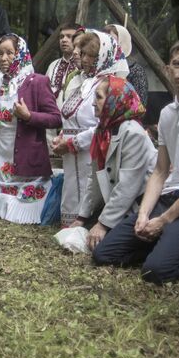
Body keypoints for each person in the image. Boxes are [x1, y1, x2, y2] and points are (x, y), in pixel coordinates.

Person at [93, 39, 179, 284]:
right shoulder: (168, 113)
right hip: (169, 196)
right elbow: (160, 171)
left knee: (155, 272)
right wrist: (144, 214)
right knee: (104, 253)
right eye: (178, 64)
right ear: (168, 69)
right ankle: (167, 241)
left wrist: (164, 220)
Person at [0, 34, 61, 223]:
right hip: (3, 149)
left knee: (26, 197)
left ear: (21, 54)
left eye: (9, 53)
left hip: (27, 150)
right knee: (7, 191)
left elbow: (56, 118)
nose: (3, 58)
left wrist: (29, 116)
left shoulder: (36, 82)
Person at [73, 76, 156, 252]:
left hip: (139, 206)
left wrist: (102, 224)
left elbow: (128, 186)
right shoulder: (103, 130)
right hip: (119, 204)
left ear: (114, 100)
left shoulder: (133, 133)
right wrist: (82, 217)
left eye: (99, 97)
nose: (94, 103)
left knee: (102, 252)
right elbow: (94, 177)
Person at [53, 30, 124, 227]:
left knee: (88, 187)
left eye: (87, 54)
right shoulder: (83, 81)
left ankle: (86, 224)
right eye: (82, 53)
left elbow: (104, 126)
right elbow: (71, 116)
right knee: (72, 187)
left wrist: (73, 143)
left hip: (90, 151)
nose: (82, 58)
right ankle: (69, 225)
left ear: (101, 56)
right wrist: (62, 136)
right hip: (71, 153)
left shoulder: (109, 85)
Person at [104, 23, 148, 106]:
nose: (107, 44)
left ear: (122, 42)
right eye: (105, 40)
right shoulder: (101, 67)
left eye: (111, 40)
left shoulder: (135, 70)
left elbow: (140, 105)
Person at [46, 22, 80, 101]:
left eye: (69, 36)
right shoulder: (53, 65)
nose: (64, 40)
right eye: (61, 37)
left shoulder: (83, 65)